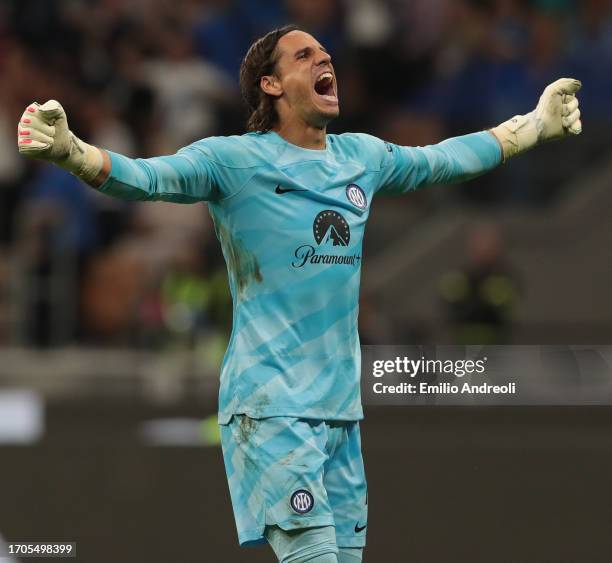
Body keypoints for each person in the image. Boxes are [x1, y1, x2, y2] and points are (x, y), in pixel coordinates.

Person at [17, 25, 581, 563]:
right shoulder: (235, 160)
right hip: (270, 407)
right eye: (305, 56)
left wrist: (532, 126)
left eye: (326, 54)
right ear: (270, 84)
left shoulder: (361, 158)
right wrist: (71, 151)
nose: (325, 60)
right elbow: (147, 177)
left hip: (339, 412)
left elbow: (444, 160)